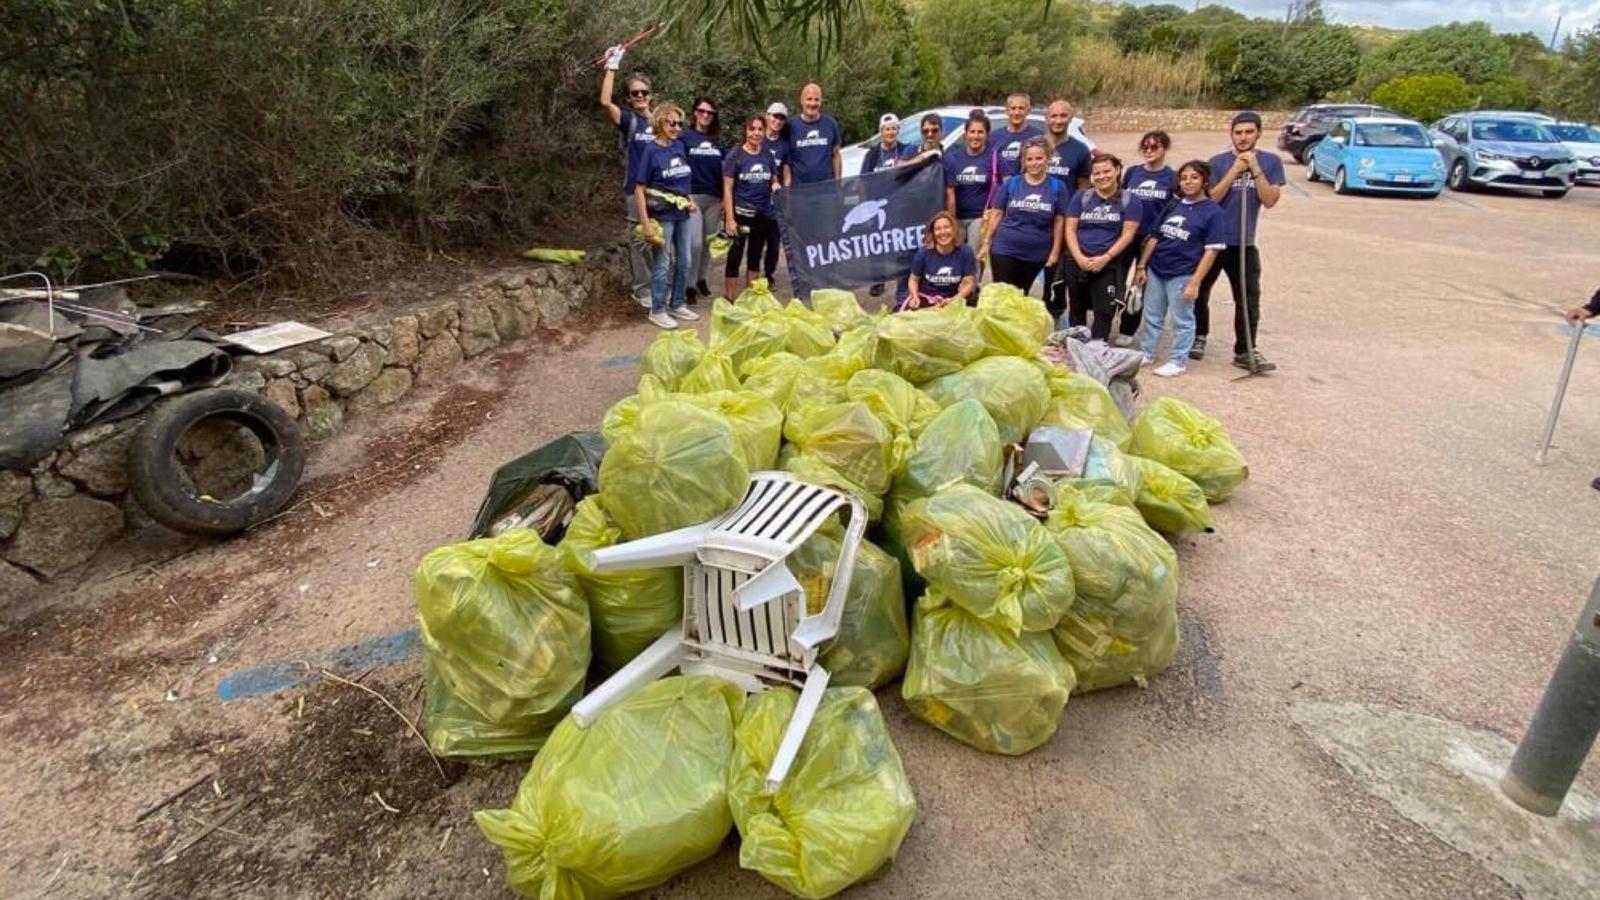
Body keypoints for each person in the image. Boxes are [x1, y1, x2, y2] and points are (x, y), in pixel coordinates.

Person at [1196, 110, 1285, 372]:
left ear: (1258, 133)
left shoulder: (1270, 162)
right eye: (1238, 132)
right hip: (1212, 241)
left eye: (1249, 132)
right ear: (1231, 134)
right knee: (1199, 291)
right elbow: (1211, 198)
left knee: (1248, 297)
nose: (1243, 137)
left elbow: (1269, 199)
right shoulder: (1217, 162)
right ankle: (1199, 336)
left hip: (1243, 243)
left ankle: (1245, 349)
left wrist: (1254, 169)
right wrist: (1235, 170)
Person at [1131, 160, 1224, 378]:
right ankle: (1147, 352)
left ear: (1204, 181)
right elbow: (1155, 237)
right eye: (1183, 178)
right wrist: (1142, 266)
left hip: (1183, 272)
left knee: (1182, 319)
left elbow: (1211, 251)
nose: (1188, 182)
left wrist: (1195, 282)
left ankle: (1178, 360)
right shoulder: (1174, 205)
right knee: (1153, 314)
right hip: (1158, 268)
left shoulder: (1213, 212)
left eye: (1194, 177)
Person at [631, 103, 700, 329]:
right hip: (663, 215)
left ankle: (677, 303)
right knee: (662, 263)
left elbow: (681, 178)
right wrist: (645, 224)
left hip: (681, 214)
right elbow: (639, 189)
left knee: (685, 260)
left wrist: (689, 200)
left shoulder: (679, 146)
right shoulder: (650, 151)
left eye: (680, 123)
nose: (677, 127)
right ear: (660, 122)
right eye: (672, 123)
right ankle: (658, 309)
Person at [1062, 154, 1143, 340]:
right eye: (1096, 173)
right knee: (1076, 308)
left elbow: (1128, 235)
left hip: (1109, 264)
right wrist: (1079, 258)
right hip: (1077, 261)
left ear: (1117, 170)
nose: (1102, 176)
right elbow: (1070, 229)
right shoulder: (1082, 197)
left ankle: (1098, 350)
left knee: (1104, 311)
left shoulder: (1130, 200)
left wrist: (1105, 258)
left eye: (1106, 171)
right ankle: (1077, 350)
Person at [598, 46, 654, 307]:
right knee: (639, 240)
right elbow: (605, 102)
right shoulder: (629, 121)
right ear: (630, 98)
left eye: (644, 92)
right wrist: (612, 66)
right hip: (635, 190)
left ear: (651, 95)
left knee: (661, 240)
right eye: (635, 93)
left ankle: (659, 285)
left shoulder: (661, 121)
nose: (640, 96)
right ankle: (642, 290)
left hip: (662, 191)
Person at [782, 83, 843, 298]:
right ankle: (805, 286)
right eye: (809, 99)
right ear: (801, 100)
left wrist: (838, 184)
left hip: (825, 193)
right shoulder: (790, 126)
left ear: (821, 101)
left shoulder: (830, 124)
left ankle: (826, 283)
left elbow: (836, 154)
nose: (813, 103)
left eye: (816, 99)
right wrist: (787, 190)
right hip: (801, 194)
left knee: (826, 237)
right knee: (803, 239)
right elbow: (786, 161)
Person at [979, 139, 1064, 295]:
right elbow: (997, 213)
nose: (1034, 163)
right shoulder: (1012, 183)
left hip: (1036, 253)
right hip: (1005, 249)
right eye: (1029, 159)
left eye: (1039, 158)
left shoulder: (1057, 187)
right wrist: (986, 242)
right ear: (1023, 161)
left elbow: (1059, 221)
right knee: (1003, 294)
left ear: (1047, 159)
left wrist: (1055, 251)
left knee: (1020, 293)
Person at [1116, 129, 1178, 344]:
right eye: (1146, 146)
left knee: (1140, 283)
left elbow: (1173, 209)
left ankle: (1128, 327)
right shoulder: (1132, 173)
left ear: (1164, 149)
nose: (1149, 151)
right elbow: (1120, 200)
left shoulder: (1171, 177)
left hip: (1153, 238)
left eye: (1155, 147)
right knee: (1117, 276)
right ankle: (1110, 317)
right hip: (1127, 234)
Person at [1040, 99, 1094, 320]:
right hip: (1034, 217)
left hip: (1062, 220)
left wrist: (1076, 218)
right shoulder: (1034, 145)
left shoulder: (1079, 150)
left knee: (1056, 272)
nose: (1058, 120)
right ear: (1047, 118)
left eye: (1063, 116)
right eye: (1054, 116)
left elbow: (1083, 187)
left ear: (1070, 118)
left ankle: (1054, 316)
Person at [722, 114, 780, 300]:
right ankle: (730, 297)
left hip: (762, 215)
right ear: (746, 131)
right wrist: (729, 219)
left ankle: (750, 298)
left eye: (759, 129)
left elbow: (773, 179)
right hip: (741, 216)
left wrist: (775, 185)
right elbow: (728, 188)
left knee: (755, 256)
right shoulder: (736, 155)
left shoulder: (767, 156)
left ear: (764, 131)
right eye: (752, 129)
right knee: (735, 255)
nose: (756, 133)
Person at [680, 96, 724, 304]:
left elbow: (725, 173)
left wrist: (725, 199)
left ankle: (701, 280)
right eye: (701, 111)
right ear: (695, 113)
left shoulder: (718, 141)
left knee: (707, 243)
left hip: (715, 199)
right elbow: (677, 169)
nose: (705, 115)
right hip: (693, 198)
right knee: (694, 244)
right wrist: (685, 196)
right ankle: (688, 285)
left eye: (710, 112)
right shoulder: (685, 138)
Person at [905, 211, 978, 309]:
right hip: (929, 299)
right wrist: (914, 296)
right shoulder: (923, 253)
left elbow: (969, 282)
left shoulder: (966, 252)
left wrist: (954, 300)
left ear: (954, 229)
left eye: (946, 227)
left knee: (973, 299)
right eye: (938, 229)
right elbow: (913, 279)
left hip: (954, 298)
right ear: (933, 233)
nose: (943, 232)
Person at [944, 111, 994, 250]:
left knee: (973, 259)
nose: (976, 136)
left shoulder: (993, 158)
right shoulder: (953, 158)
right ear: (965, 134)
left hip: (980, 218)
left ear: (987, 134)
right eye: (972, 132)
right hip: (956, 218)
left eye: (980, 132)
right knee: (955, 259)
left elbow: (1003, 186)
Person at [761, 103, 791, 283]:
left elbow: (787, 172)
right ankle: (753, 275)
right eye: (775, 116)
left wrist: (785, 191)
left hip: (775, 199)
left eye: (781, 118)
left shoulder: (784, 145)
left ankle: (769, 275)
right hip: (755, 198)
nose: (777, 121)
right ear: (767, 116)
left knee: (774, 242)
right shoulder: (756, 137)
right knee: (756, 240)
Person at [991, 93, 1042, 182]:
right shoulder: (994, 137)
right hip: (1001, 192)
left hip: (1028, 191)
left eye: (1021, 108)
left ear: (1028, 111)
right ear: (1007, 111)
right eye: (1013, 108)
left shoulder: (1038, 137)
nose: (1017, 112)